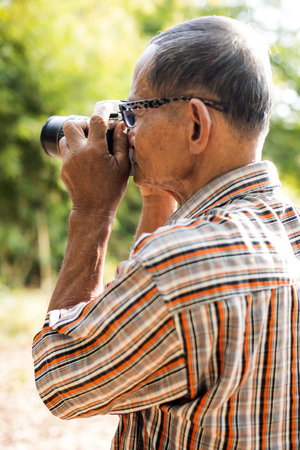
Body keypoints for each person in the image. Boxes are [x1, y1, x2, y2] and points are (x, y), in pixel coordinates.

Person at [32, 16, 300, 449]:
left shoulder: (182, 265)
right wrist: (159, 194)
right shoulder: (287, 230)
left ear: (195, 123)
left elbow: (62, 379)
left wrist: (92, 210)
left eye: (134, 111)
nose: (128, 131)